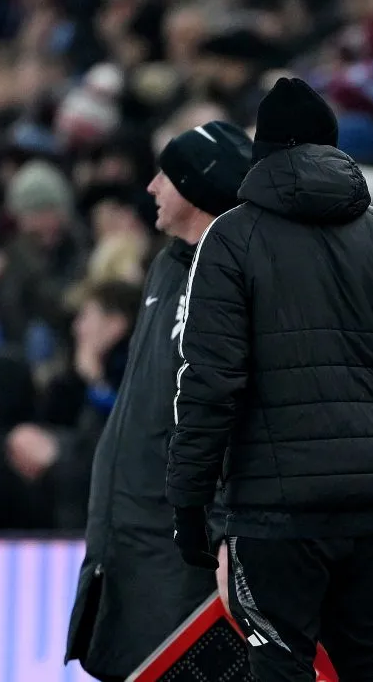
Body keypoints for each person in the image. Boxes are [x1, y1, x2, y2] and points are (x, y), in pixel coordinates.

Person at [166, 77, 373, 682]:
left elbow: (209, 382)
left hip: (271, 512)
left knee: (278, 661)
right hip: (365, 508)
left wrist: (189, 499)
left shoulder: (231, 238)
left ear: (264, 151)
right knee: (370, 665)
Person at [65, 120, 253, 682]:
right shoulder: (168, 263)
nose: (150, 187)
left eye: (165, 176)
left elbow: (228, 413)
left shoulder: (233, 274)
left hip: (181, 548)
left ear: (197, 187)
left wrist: (223, 535)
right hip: (126, 533)